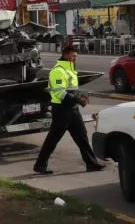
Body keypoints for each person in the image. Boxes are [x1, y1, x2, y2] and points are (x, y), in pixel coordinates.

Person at [34, 45, 106, 174]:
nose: (75, 58)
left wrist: (80, 97)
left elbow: (72, 89)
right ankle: (40, 165)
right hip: (61, 110)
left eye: (76, 56)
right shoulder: (58, 71)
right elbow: (60, 92)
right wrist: (77, 100)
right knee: (53, 139)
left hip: (73, 110)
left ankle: (92, 164)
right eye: (73, 56)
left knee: (82, 137)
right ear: (66, 55)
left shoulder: (70, 69)